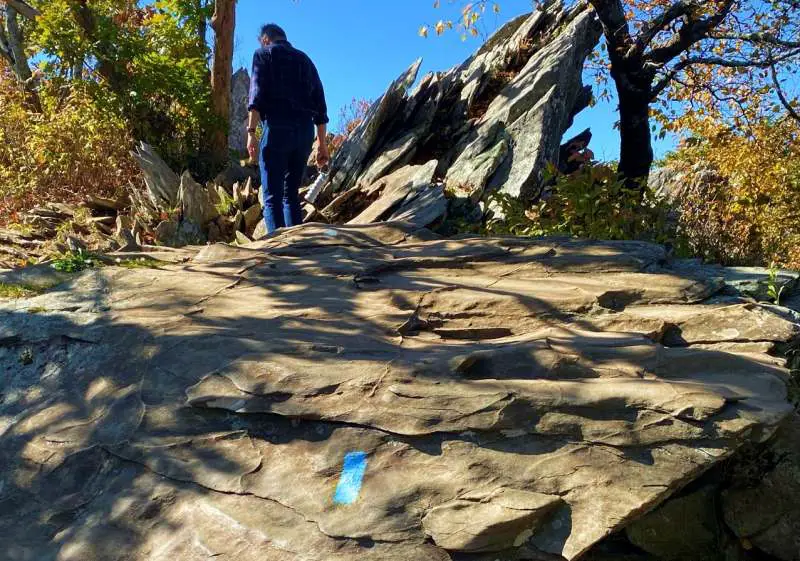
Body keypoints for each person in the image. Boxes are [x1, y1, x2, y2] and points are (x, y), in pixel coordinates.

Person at [247, 23, 330, 234]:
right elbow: (320, 105)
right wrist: (322, 144)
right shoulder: (305, 60)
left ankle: (277, 255)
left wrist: (251, 133)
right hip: (304, 132)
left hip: (277, 128)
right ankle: (297, 251)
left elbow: (256, 97)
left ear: (266, 40)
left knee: (272, 198)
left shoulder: (263, 54)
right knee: (290, 195)